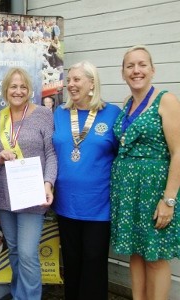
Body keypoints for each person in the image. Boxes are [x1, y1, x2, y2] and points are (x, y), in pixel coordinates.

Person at [110, 45, 180, 300]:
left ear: (152, 70)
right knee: (135, 253)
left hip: (155, 192)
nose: (136, 70)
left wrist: (168, 200)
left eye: (141, 65)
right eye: (130, 66)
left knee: (155, 256)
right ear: (123, 72)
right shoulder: (128, 103)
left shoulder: (166, 100)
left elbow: (178, 152)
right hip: (128, 193)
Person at [52, 61, 120, 300]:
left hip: (99, 207)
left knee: (94, 265)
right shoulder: (59, 114)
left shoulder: (112, 114)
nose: (71, 84)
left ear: (92, 83)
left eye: (77, 79)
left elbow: (122, 157)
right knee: (71, 264)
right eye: (69, 80)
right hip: (66, 205)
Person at [0, 67, 57, 299]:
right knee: (16, 252)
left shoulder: (43, 115)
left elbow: (51, 154)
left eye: (23, 87)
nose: (18, 91)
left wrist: (48, 183)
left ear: (29, 90)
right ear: (5, 89)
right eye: (13, 86)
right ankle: (20, 294)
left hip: (32, 194)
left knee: (28, 253)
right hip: (5, 196)